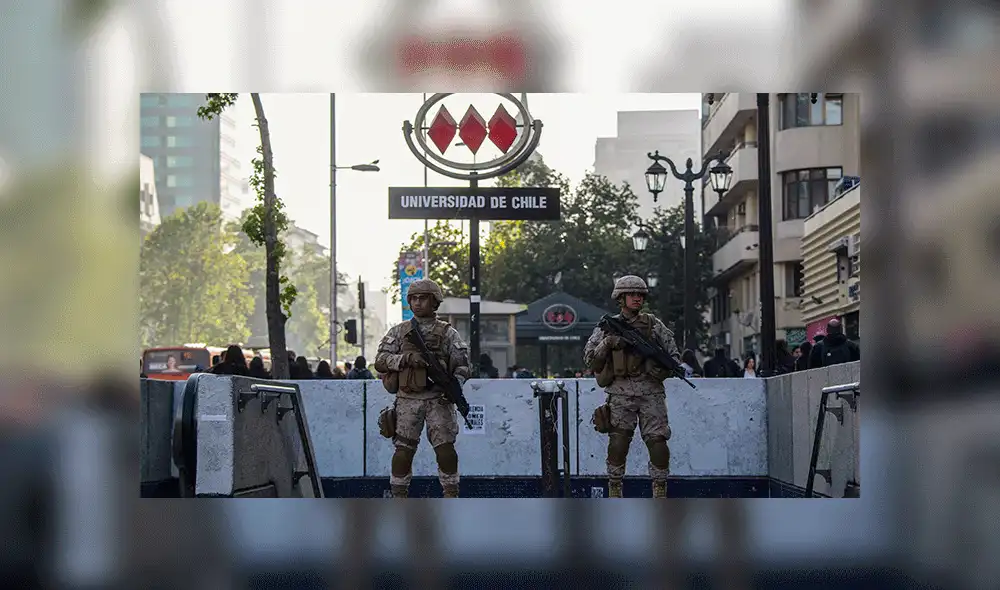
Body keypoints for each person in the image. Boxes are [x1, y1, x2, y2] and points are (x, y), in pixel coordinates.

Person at [582, 274, 682, 499]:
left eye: (640, 295)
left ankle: (659, 489)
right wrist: (608, 343)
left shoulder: (654, 325)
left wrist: (661, 369)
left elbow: (673, 357)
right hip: (620, 392)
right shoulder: (608, 326)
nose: (637, 298)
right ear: (621, 298)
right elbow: (590, 359)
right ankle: (614, 488)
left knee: (657, 441)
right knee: (618, 441)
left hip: (651, 392)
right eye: (632, 295)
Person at [373, 278, 471, 498]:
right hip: (408, 400)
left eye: (423, 298)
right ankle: (399, 497)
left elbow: (463, 365)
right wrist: (406, 359)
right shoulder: (399, 332)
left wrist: (455, 386)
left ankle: (451, 495)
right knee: (402, 453)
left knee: (446, 451)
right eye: (414, 299)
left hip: (439, 400)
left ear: (434, 302)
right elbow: (380, 360)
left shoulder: (447, 333)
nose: (417, 303)